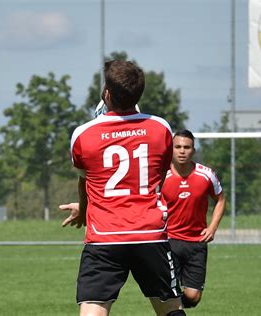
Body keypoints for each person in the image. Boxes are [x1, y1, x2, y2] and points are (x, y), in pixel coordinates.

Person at [60, 60, 185, 316]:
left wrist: (84, 209)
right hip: (150, 234)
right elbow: (158, 178)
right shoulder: (160, 128)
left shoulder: (83, 134)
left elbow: (86, 180)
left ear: (107, 93)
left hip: (104, 237)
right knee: (171, 310)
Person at [162, 129, 225, 309]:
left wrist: (212, 227)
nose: (182, 151)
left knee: (193, 296)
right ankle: (171, 310)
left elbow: (220, 199)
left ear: (193, 151)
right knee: (171, 291)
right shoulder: (160, 175)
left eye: (187, 147)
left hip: (196, 242)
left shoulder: (206, 175)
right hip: (169, 240)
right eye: (178, 147)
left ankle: (171, 308)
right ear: (171, 149)